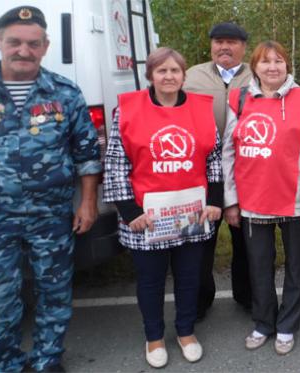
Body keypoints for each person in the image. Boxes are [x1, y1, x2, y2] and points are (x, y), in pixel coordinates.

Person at [0, 6, 101, 372]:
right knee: (0, 299)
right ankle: (7, 363)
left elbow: (85, 154)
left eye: (33, 43)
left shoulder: (65, 93)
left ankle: (47, 360)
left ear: (45, 46)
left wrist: (87, 203)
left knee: (54, 292)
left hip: (51, 214)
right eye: (15, 42)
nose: (24, 50)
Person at [103, 47, 222, 368]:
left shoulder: (201, 108)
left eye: (175, 71)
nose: (169, 77)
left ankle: (186, 332)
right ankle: (154, 337)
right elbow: (114, 164)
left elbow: (213, 158)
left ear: (184, 75)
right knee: (151, 280)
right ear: (150, 75)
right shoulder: (127, 109)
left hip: (190, 214)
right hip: (146, 217)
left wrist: (214, 201)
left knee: (189, 277)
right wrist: (129, 212)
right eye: (162, 71)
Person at [222, 40, 300, 356]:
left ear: (287, 65)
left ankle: (287, 325)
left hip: (296, 199)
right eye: (265, 61)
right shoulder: (239, 100)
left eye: (279, 60)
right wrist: (231, 200)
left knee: (297, 266)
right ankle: (264, 322)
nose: (272, 67)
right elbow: (228, 153)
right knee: (258, 266)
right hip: (253, 201)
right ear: (254, 67)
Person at [183, 22, 253, 316]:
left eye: (232, 42)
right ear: (210, 45)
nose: (224, 47)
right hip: (201, 171)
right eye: (218, 42)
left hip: (246, 171)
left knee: (246, 241)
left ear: (244, 47)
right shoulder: (191, 76)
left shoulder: (259, 73)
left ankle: (247, 296)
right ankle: (200, 300)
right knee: (200, 240)